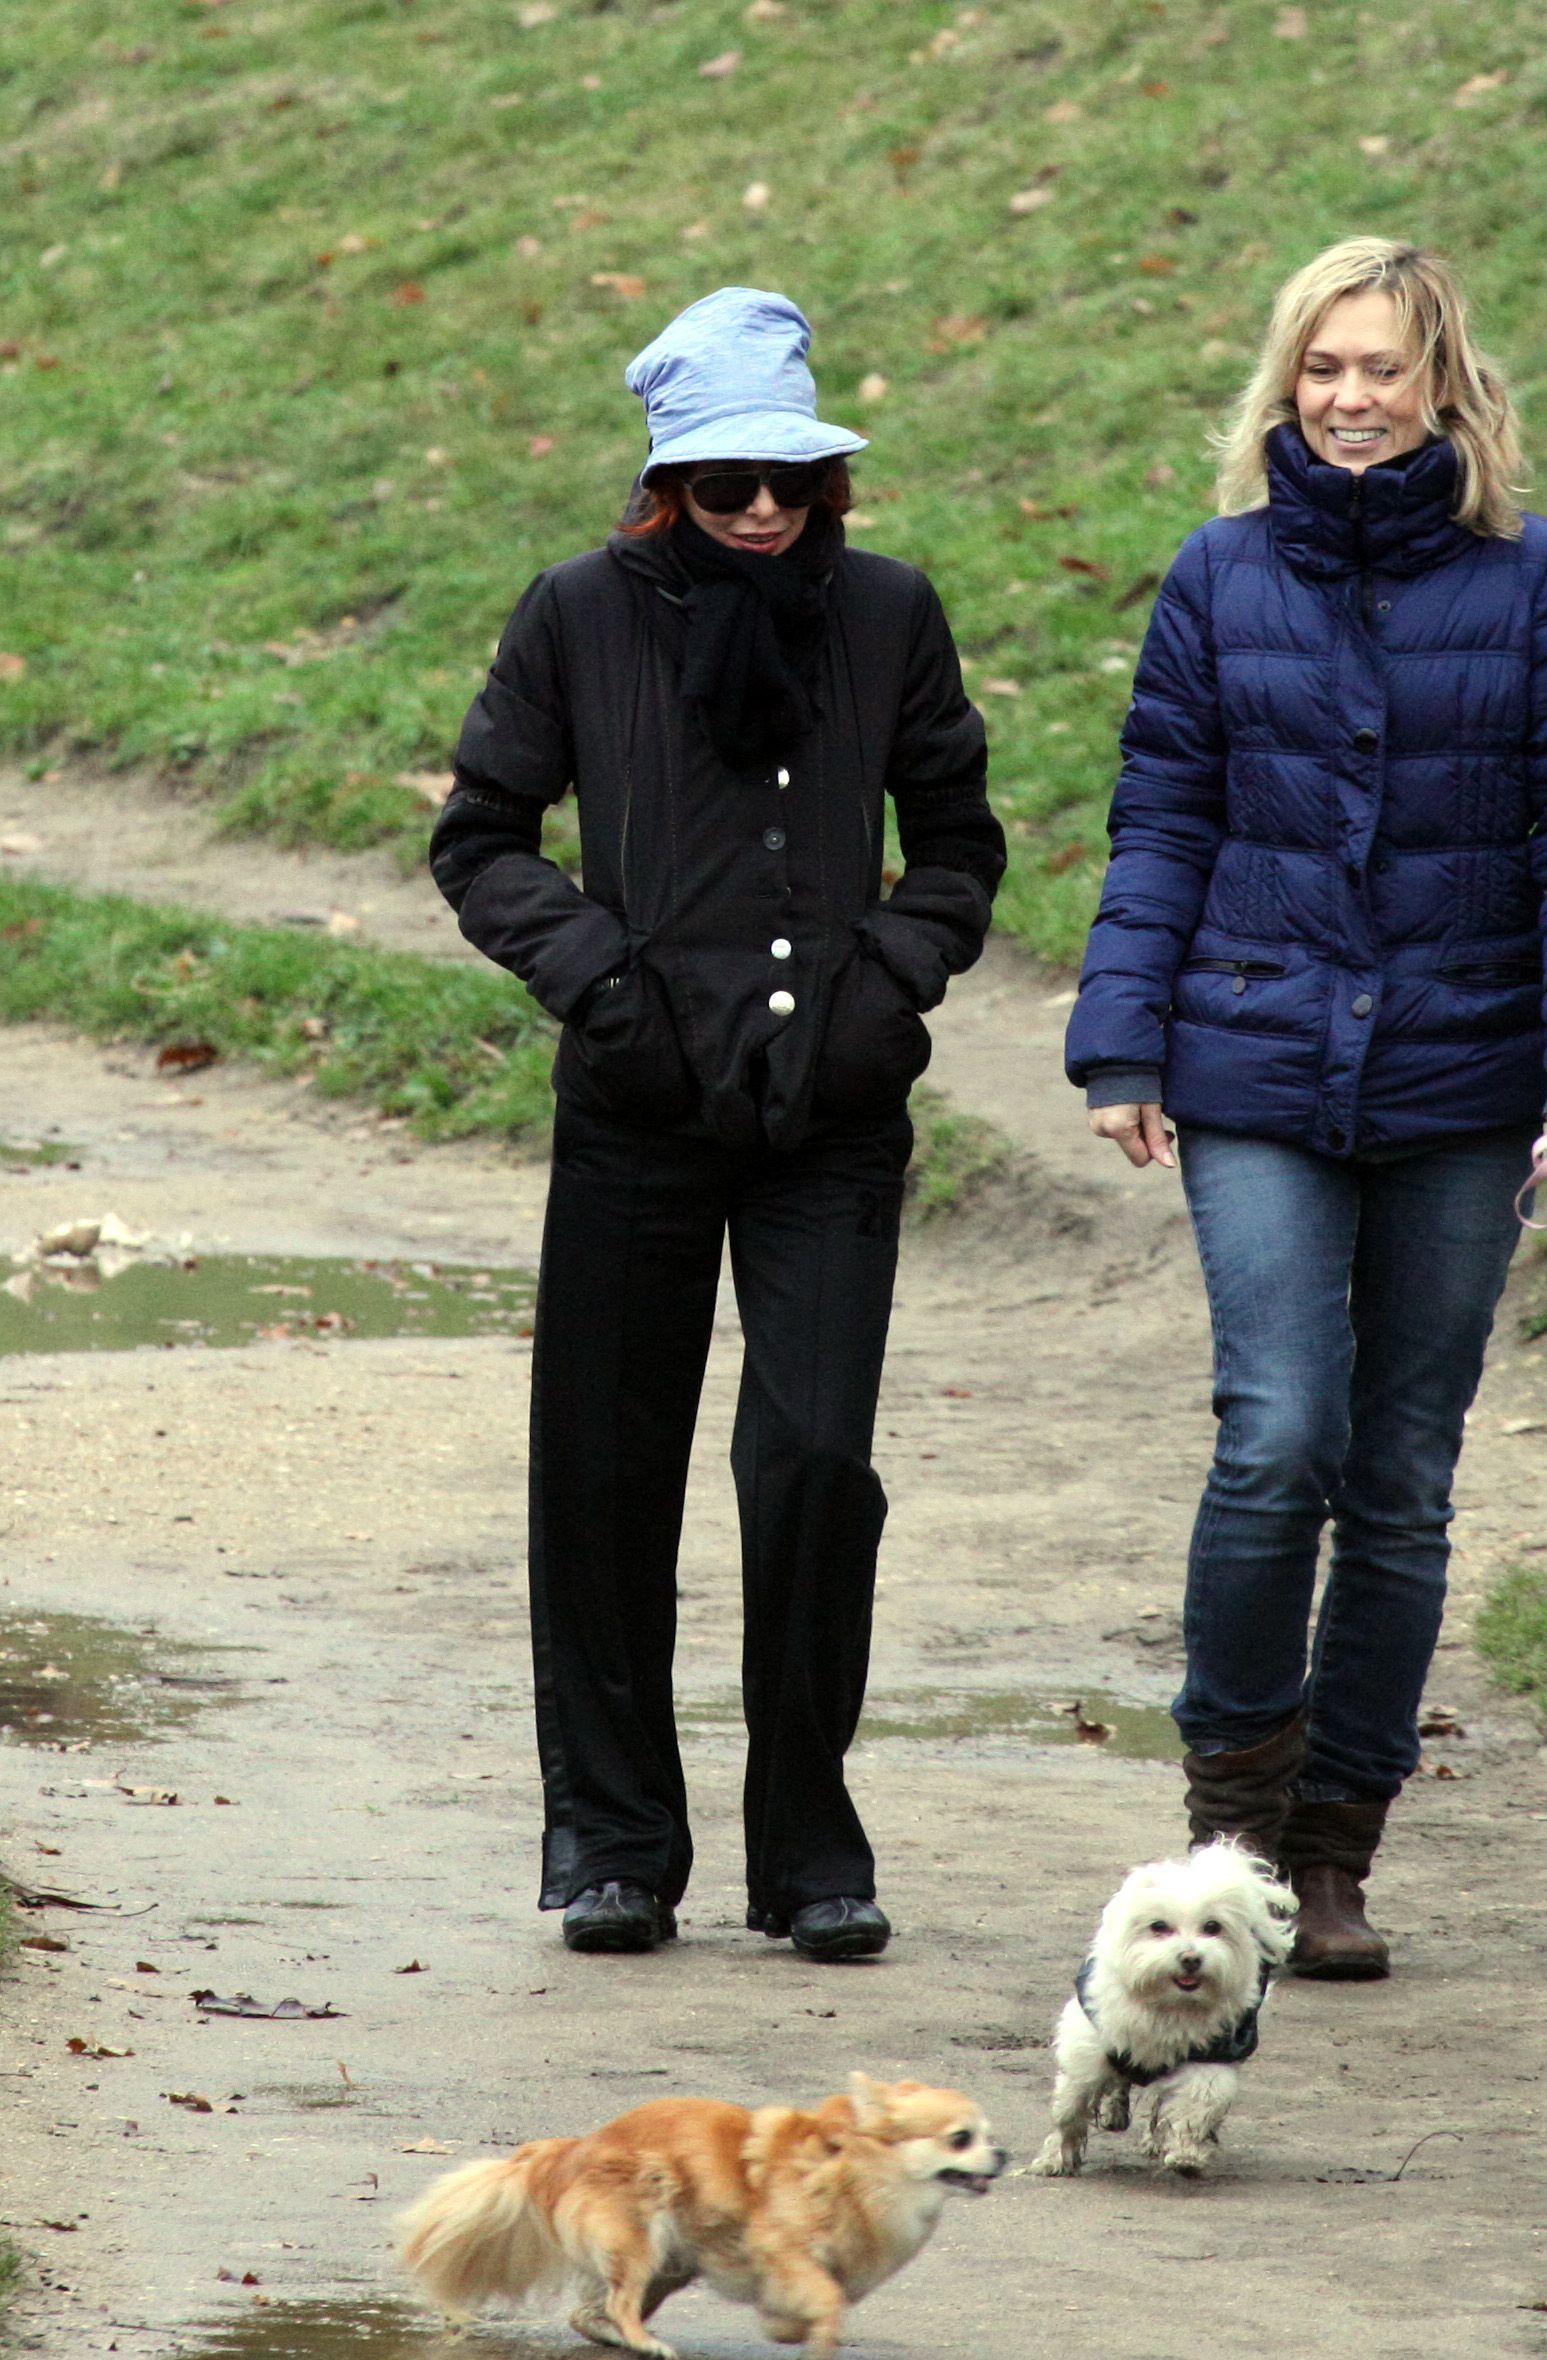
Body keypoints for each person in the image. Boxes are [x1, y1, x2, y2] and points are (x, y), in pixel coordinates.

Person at [1062, 238, 1547, 1980]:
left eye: (1382, 368)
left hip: (1467, 1080)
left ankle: (1334, 1853)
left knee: (1399, 1477)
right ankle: (1233, 1818)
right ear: (1285, 383)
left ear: (1445, 386)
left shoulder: (1546, 585)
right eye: (1321, 368)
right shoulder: (1218, 576)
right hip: (1249, 1055)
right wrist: (1122, 1039)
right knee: (1278, 1437)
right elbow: (1162, 813)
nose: (1348, 397)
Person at [428, 288, 1006, 1962]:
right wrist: (604, 984)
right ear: (665, 487)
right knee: (607, 1474)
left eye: (790, 482)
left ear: (828, 487)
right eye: (724, 483)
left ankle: (810, 1844)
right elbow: (484, 837)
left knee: (815, 1462)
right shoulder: (577, 616)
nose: (761, 510)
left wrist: (887, 988)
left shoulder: (889, 615)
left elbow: (959, 834)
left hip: (830, 1115)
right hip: (636, 1108)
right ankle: (615, 1840)